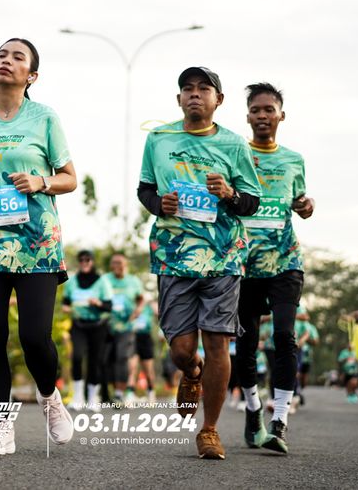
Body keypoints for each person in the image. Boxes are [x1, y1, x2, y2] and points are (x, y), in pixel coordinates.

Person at [0, 38, 77, 455]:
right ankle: (0, 426)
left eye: (17, 57)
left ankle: (49, 396)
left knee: (34, 337)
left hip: (37, 243)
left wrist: (40, 181)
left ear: (32, 76)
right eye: (1, 54)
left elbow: (69, 178)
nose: (6, 61)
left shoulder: (44, 118)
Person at [137, 66, 261, 459]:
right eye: (187, 89)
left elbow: (252, 201)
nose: (195, 94)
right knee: (181, 348)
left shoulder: (234, 144)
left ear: (218, 100)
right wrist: (160, 203)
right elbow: (144, 188)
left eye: (204, 89)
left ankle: (209, 430)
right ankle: (192, 372)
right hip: (174, 254)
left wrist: (229, 194)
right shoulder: (159, 139)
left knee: (218, 340)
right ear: (178, 99)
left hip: (223, 255)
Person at [235, 82, 314, 454]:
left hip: (285, 261)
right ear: (247, 116)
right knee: (247, 341)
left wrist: (306, 205)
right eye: (256, 110)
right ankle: (253, 411)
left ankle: (279, 419)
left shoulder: (294, 160)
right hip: (244, 264)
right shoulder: (235, 154)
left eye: (269, 109)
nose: (263, 116)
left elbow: (299, 201)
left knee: (284, 336)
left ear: (282, 115)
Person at [61, 250, 113, 411]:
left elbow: (109, 306)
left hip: (98, 326)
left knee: (94, 361)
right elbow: (65, 302)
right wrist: (66, 308)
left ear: (92, 261)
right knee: (76, 356)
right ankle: (78, 397)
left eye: (87, 259)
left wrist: (97, 303)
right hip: (78, 325)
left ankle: (92, 398)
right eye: (81, 260)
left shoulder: (102, 281)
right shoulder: (72, 281)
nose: (84, 262)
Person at [102, 253, 145, 406]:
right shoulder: (105, 279)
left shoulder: (133, 281)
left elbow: (141, 299)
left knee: (122, 357)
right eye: (114, 263)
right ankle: (112, 391)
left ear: (125, 264)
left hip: (127, 326)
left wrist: (138, 310)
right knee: (106, 360)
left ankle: (119, 394)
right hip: (106, 324)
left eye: (119, 262)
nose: (116, 266)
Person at [128, 298, 158, 403]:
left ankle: (151, 392)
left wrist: (153, 303)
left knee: (148, 370)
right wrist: (141, 305)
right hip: (133, 337)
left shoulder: (149, 307)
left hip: (146, 338)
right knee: (132, 367)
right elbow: (130, 318)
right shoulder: (131, 305)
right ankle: (130, 394)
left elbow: (158, 314)